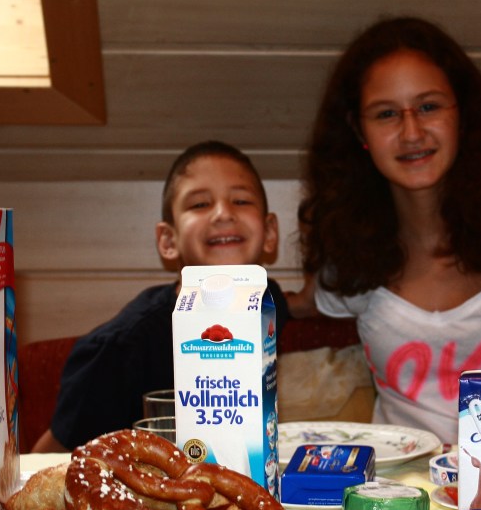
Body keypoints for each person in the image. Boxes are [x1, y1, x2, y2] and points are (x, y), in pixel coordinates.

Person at [294, 17, 481, 443]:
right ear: (359, 130)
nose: (411, 132)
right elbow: (302, 304)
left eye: (428, 107)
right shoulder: (348, 256)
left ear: (462, 114)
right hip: (388, 482)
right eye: (386, 114)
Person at [31, 141, 290, 452]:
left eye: (240, 200)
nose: (223, 213)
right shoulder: (123, 348)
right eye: (200, 204)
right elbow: (47, 456)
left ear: (270, 232)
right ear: (168, 240)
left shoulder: (267, 304)